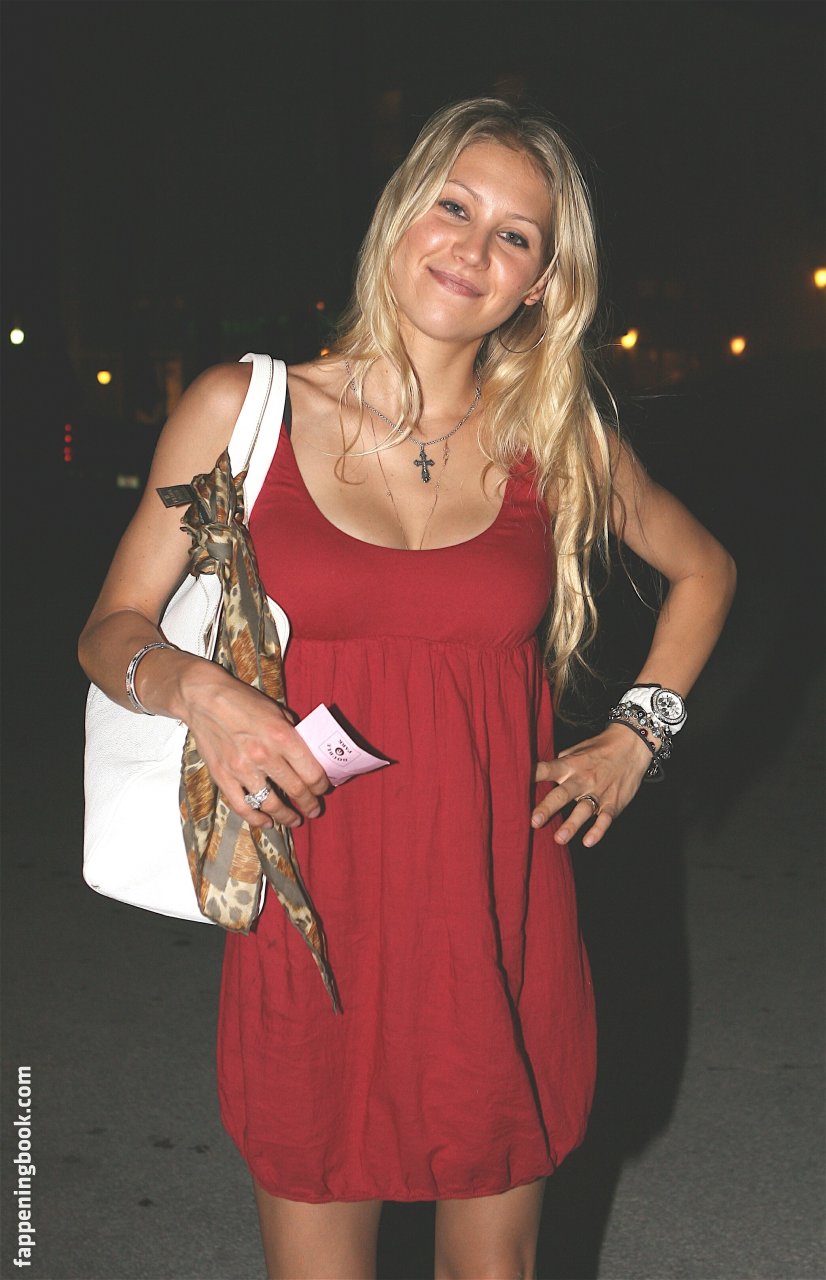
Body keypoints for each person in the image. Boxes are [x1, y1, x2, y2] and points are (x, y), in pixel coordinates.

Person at [78, 98, 736, 1280]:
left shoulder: (555, 435)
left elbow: (704, 568)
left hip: (496, 906)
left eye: (515, 235)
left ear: (540, 283)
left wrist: (636, 735)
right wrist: (200, 691)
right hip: (313, 905)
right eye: (453, 205)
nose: (473, 248)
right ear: (400, 215)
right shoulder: (245, 408)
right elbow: (109, 627)